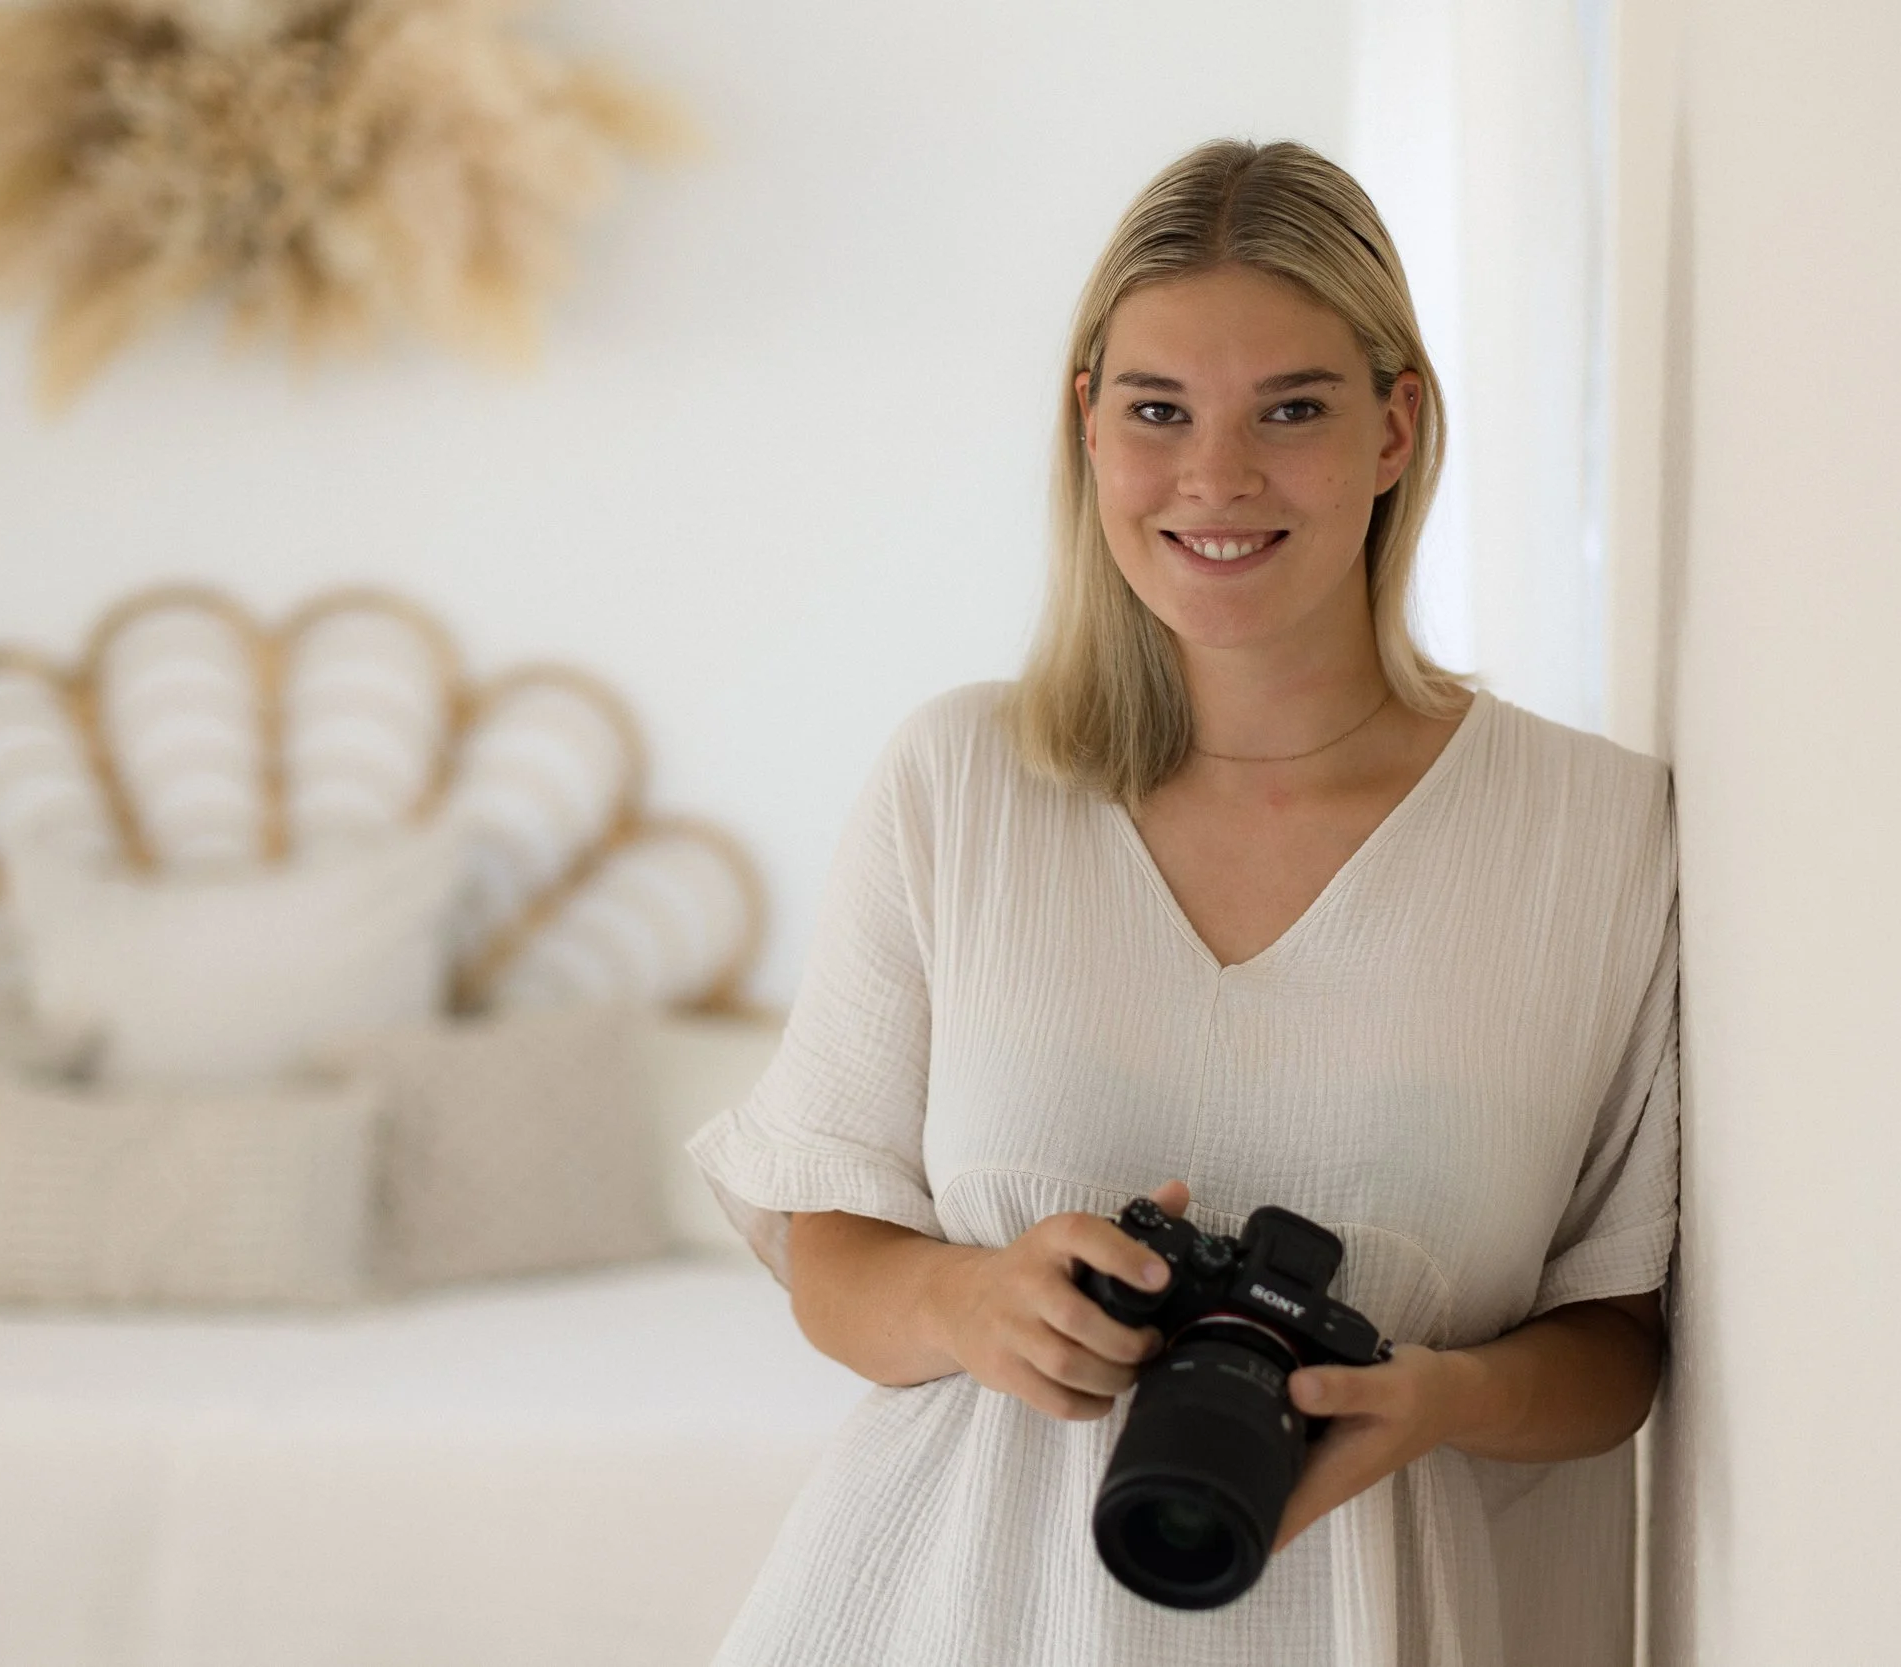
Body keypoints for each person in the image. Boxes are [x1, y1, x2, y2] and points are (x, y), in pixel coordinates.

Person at [688, 138, 1679, 1667]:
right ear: (1088, 424)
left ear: (1396, 426)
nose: (1216, 478)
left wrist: (1447, 1393)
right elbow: (833, 1252)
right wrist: (970, 1299)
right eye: (1159, 411)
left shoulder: (1593, 835)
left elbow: (1622, 1342)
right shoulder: (960, 780)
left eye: (1291, 408)